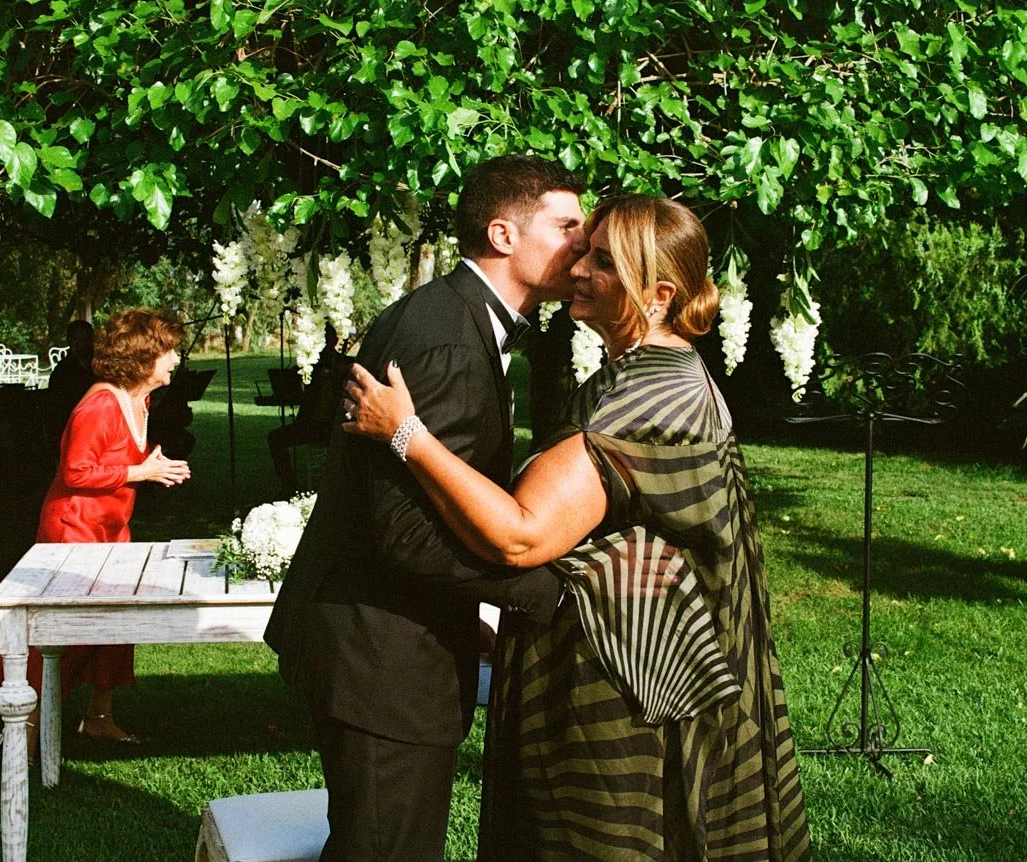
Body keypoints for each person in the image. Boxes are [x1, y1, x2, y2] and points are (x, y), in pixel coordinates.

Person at [343, 194, 812, 860]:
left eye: (602, 261)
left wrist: (406, 434)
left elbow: (521, 534)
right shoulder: (645, 374)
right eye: (584, 248)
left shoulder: (651, 398)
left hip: (624, 696)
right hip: (635, 658)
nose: (579, 268)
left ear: (657, 294)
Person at [263, 155, 587, 861]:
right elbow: (406, 537)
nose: (583, 244)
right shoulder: (446, 342)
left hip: (384, 636)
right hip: (380, 655)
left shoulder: (452, 316)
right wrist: (552, 591)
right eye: (567, 226)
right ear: (504, 235)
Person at [0, 309, 191, 755]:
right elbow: (74, 471)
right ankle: (24, 726)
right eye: (169, 350)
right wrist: (141, 471)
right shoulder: (99, 404)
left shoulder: (140, 400)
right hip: (74, 532)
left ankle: (99, 717)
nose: (176, 359)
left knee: (116, 627)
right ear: (143, 355)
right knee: (66, 632)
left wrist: (150, 470)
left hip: (110, 531)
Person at [267, 323, 344, 495]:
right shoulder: (309, 366)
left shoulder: (344, 365)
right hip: (311, 425)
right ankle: (288, 485)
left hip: (336, 427)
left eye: (327, 341)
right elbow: (290, 388)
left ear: (334, 341)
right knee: (276, 438)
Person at [46, 319, 96, 444]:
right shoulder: (62, 372)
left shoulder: (101, 367)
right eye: (76, 339)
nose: (81, 344)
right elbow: (56, 409)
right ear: (69, 341)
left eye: (85, 338)